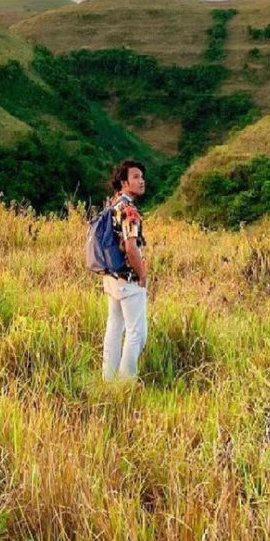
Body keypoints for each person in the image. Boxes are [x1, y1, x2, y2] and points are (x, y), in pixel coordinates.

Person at [101, 159, 148, 382]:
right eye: (136, 177)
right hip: (128, 279)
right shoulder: (129, 210)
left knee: (114, 327)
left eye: (142, 177)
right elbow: (131, 247)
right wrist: (143, 274)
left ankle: (108, 379)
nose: (142, 181)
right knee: (136, 333)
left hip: (111, 275)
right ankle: (126, 383)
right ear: (124, 182)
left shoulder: (113, 205)